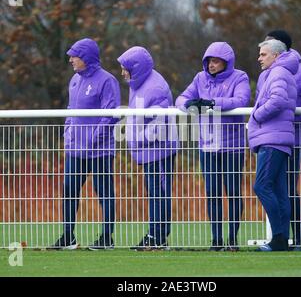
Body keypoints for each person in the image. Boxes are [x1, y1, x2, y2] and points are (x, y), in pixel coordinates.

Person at [175, 42, 250, 251]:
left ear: (226, 62)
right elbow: (180, 98)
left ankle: (232, 240)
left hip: (232, 146)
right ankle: (217, 241)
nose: (211, 65)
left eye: (215, 61)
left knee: (233, 192)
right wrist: (189, 105)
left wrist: (212, 103)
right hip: (207, 145)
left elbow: (242, 100)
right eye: (208, 61)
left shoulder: (240, 77)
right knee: (213, 193)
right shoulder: (200, 78)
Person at [53, 38, 121, 250]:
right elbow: (70, 111)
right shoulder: (74, 80)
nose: (71, 60)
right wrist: (68, 135)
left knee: (104, 192)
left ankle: (106, 238)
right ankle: (67, 236)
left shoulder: (108, 81)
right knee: (69, 191)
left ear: (86, 58)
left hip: (99, 151)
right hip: (75, 151)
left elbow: (111, 115)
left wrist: (93, 139)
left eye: (74, 56)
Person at [262, 30, 301, 251]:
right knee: (274, 187)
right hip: (271, 140)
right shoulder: (265, 73)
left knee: (288, 188)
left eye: (270, 45)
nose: (264, 51)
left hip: (294, 140)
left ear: (282, 49)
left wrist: (290, 120)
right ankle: (280, 238)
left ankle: (295, 239)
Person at [117, 46, 177, 250]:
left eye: (125, 68)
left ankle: (158, 237)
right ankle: (155, 234)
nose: (122, 72)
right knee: (154, 193)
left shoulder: (154, 87)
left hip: (159, 150)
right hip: (149, 150)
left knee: (158, 193)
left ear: (136, 68)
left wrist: (137, 139)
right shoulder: (139, 82)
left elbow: (159, 124)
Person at [248, 39, 298, 251]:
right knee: (278, 190)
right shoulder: (279, 72)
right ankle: (281, 240)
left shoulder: (278, 73)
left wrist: (257, 115)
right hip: (277, 138)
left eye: (263, 54)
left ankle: (278, 239)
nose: (259, 58)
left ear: (276, 56)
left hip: (273, 139)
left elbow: (277, 101)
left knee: (261, 186)